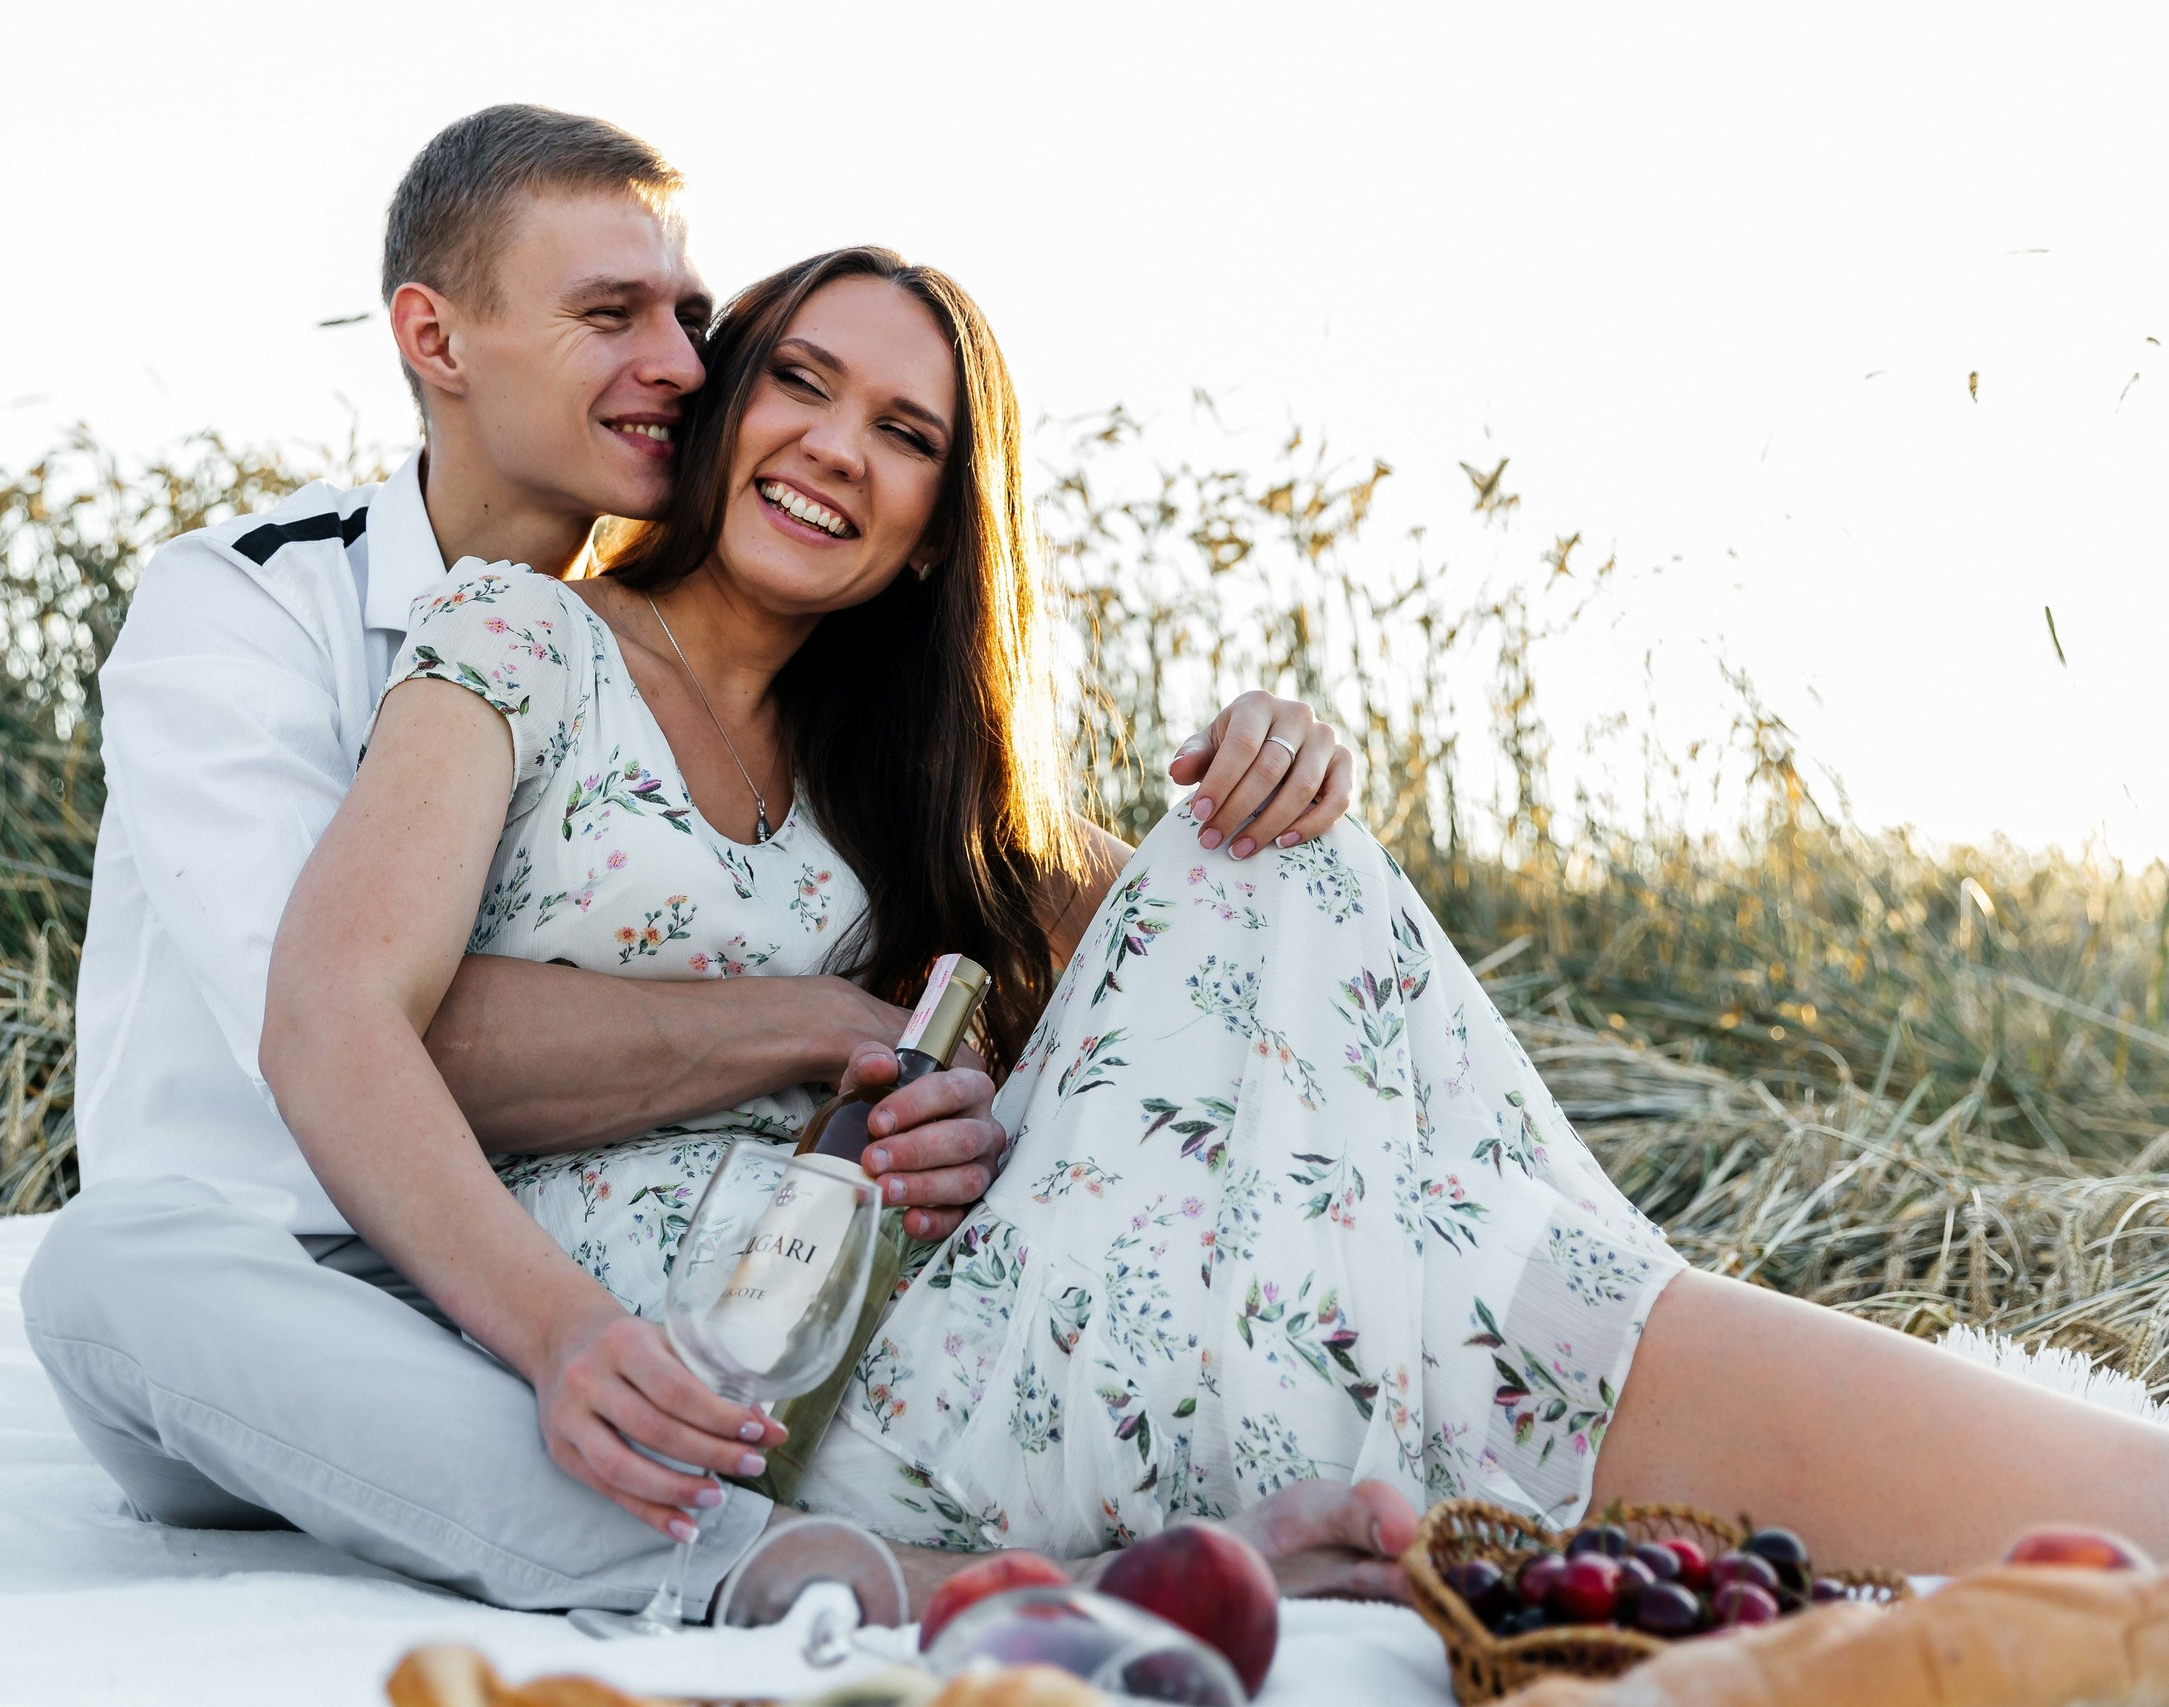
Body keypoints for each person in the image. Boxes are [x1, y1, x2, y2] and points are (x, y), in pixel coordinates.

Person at [263, 239, 2169, 1585]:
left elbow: (1205, 955)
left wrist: (1285, 754)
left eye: (911, 436)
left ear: (943, 522)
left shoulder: (888, 778)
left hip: (968, 1275)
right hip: (765, 1368)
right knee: (1428, 1270)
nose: (842, 448)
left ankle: (2073, 1501)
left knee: (1282, 872)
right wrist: (584, 1314)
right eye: (804, 381)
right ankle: (2102, 1506)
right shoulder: (519, 637)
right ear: (728, 398)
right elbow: (349, 1020)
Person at [22, 104, 1394, 1621]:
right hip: (310, 1290)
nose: (681, 362)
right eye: (609, 314)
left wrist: (1269, 783)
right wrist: (813, 1034)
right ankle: (796, 1576)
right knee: (111, 1277)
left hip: (612, 1294)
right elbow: (341, 1022)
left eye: (687, 313)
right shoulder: (246, 613)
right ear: (436, 337)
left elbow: (1077, 890)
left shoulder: (725, 666)